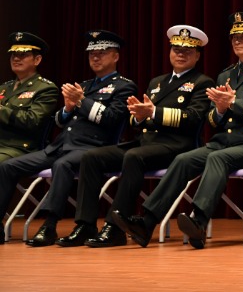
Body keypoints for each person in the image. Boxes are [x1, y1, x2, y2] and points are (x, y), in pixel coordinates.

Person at [114, 12, 243, 249]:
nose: (237, 41)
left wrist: (232, 104)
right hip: (225, 141)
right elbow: (213, 121)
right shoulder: (227, 73)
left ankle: (199, 221)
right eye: (234, 37)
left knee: (217, 158)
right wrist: (221, 110)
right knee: (184, 160)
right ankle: (147, 222)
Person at [56, 25, 215, 247]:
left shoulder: (202, 82)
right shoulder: (157, 82)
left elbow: (194, 118)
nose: (180, 54)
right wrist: (140, 117)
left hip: (177, 145)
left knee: (134, 156)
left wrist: (153, 113)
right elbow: (134, 120)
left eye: (187, 51)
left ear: (197, 55)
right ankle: (85, 224)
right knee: (92, 157)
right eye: (176, 49)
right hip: (145, 142)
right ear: (170, 52)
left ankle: (114, 227)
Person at [0, 30, 135, 245]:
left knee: (62, 166)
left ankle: (49, 225)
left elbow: (111, 119)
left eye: (102, 52)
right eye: (92, 54)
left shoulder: (124, 86)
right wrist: (67, 108)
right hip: (60, 146)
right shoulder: (85, 84)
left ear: (115, 56)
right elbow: (60, 122)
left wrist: (81, 101)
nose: (95, 57)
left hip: (92, 148)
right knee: (8, 167)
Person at [0, 32, 59, 164]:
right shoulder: (4, 87)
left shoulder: (45, 88)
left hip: (20, 148)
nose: (16, 59)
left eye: (23, 55)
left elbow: (33, 121)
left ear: (37, 60)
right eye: (14, 55)